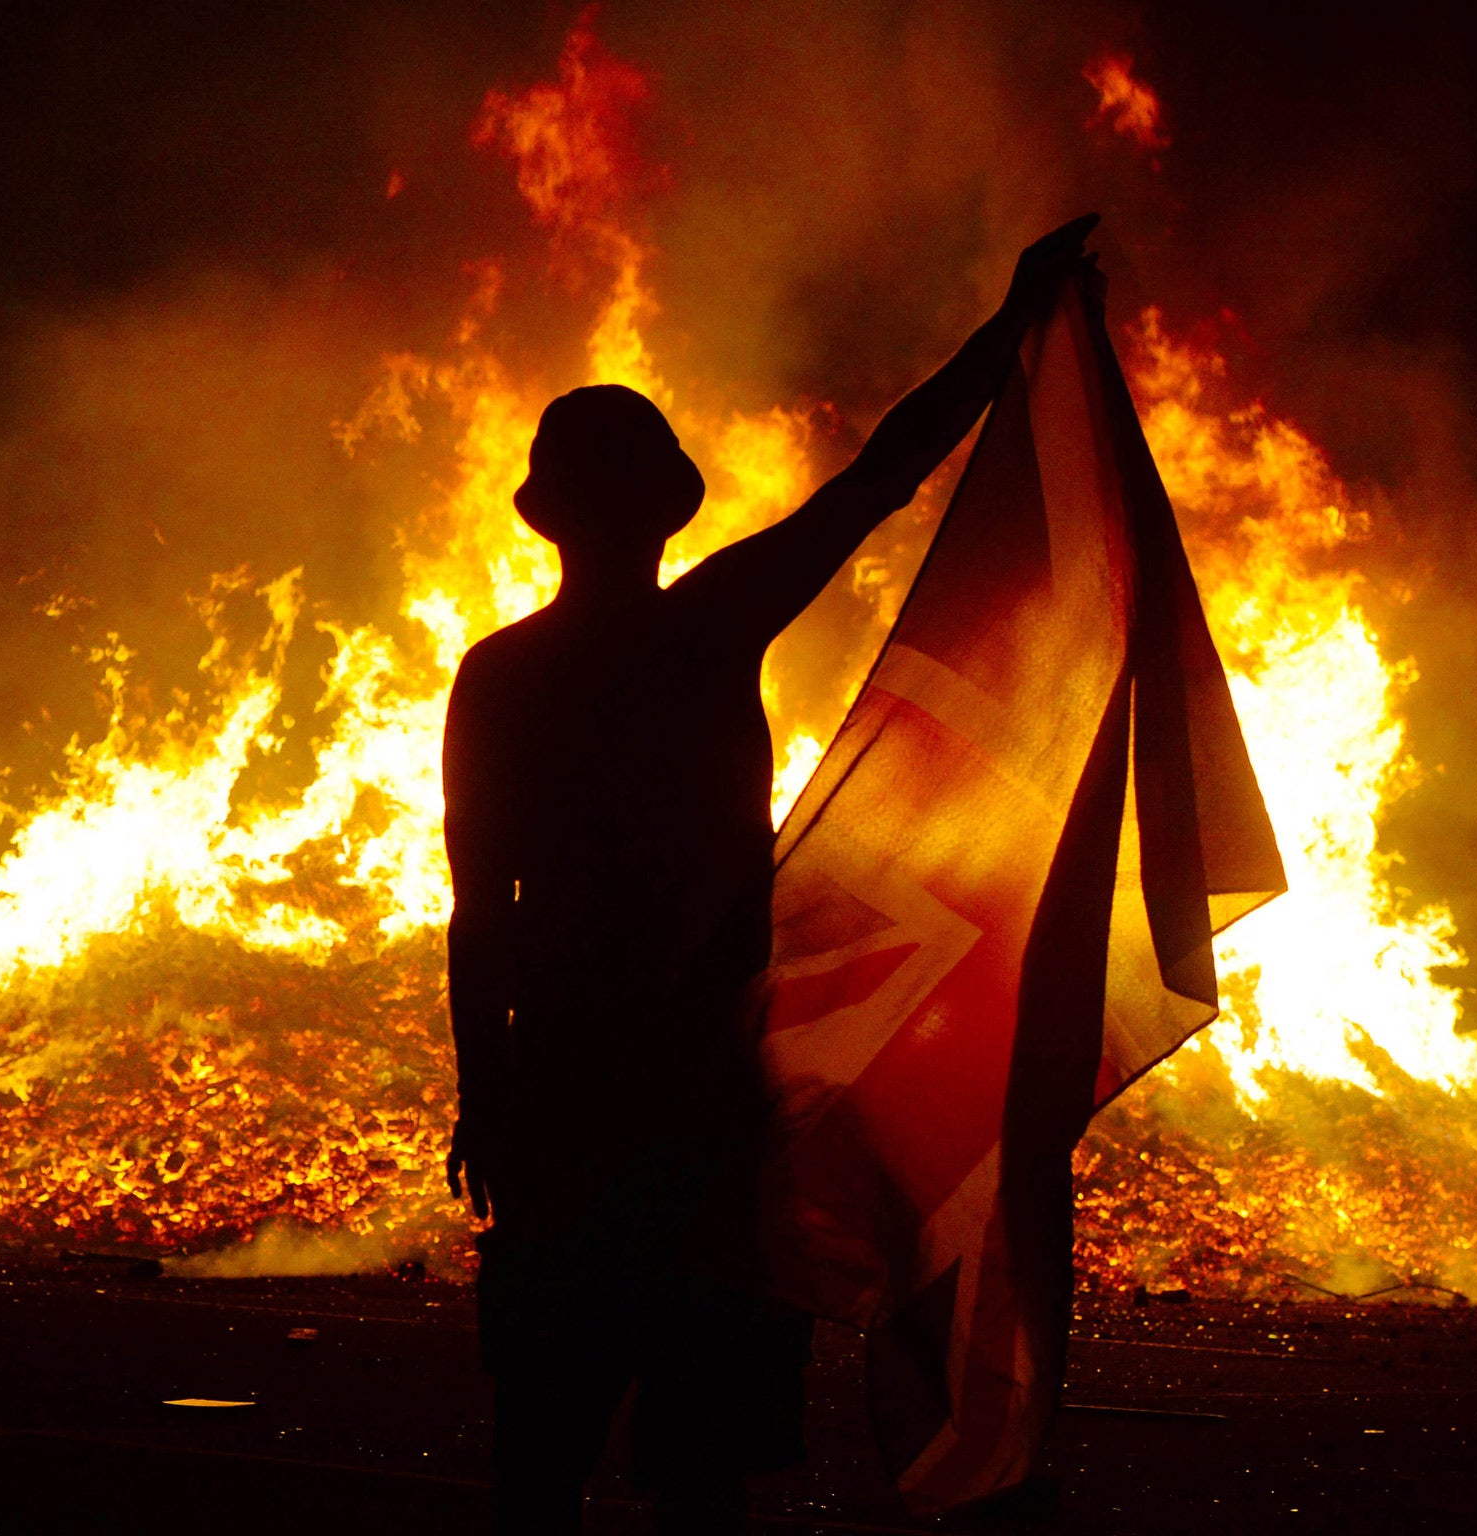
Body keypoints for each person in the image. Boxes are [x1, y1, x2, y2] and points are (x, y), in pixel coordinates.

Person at [442, 214, 1099, 1535]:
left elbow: (481, 911)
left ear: (548, 517)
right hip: (702, 1104)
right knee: (702, 1473)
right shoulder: (709, 626)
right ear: (660, 513)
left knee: (544, 1459)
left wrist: (489, 1096)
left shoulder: (501, 677)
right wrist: (1010, 327)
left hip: (578, 1097)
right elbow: (882, 476)